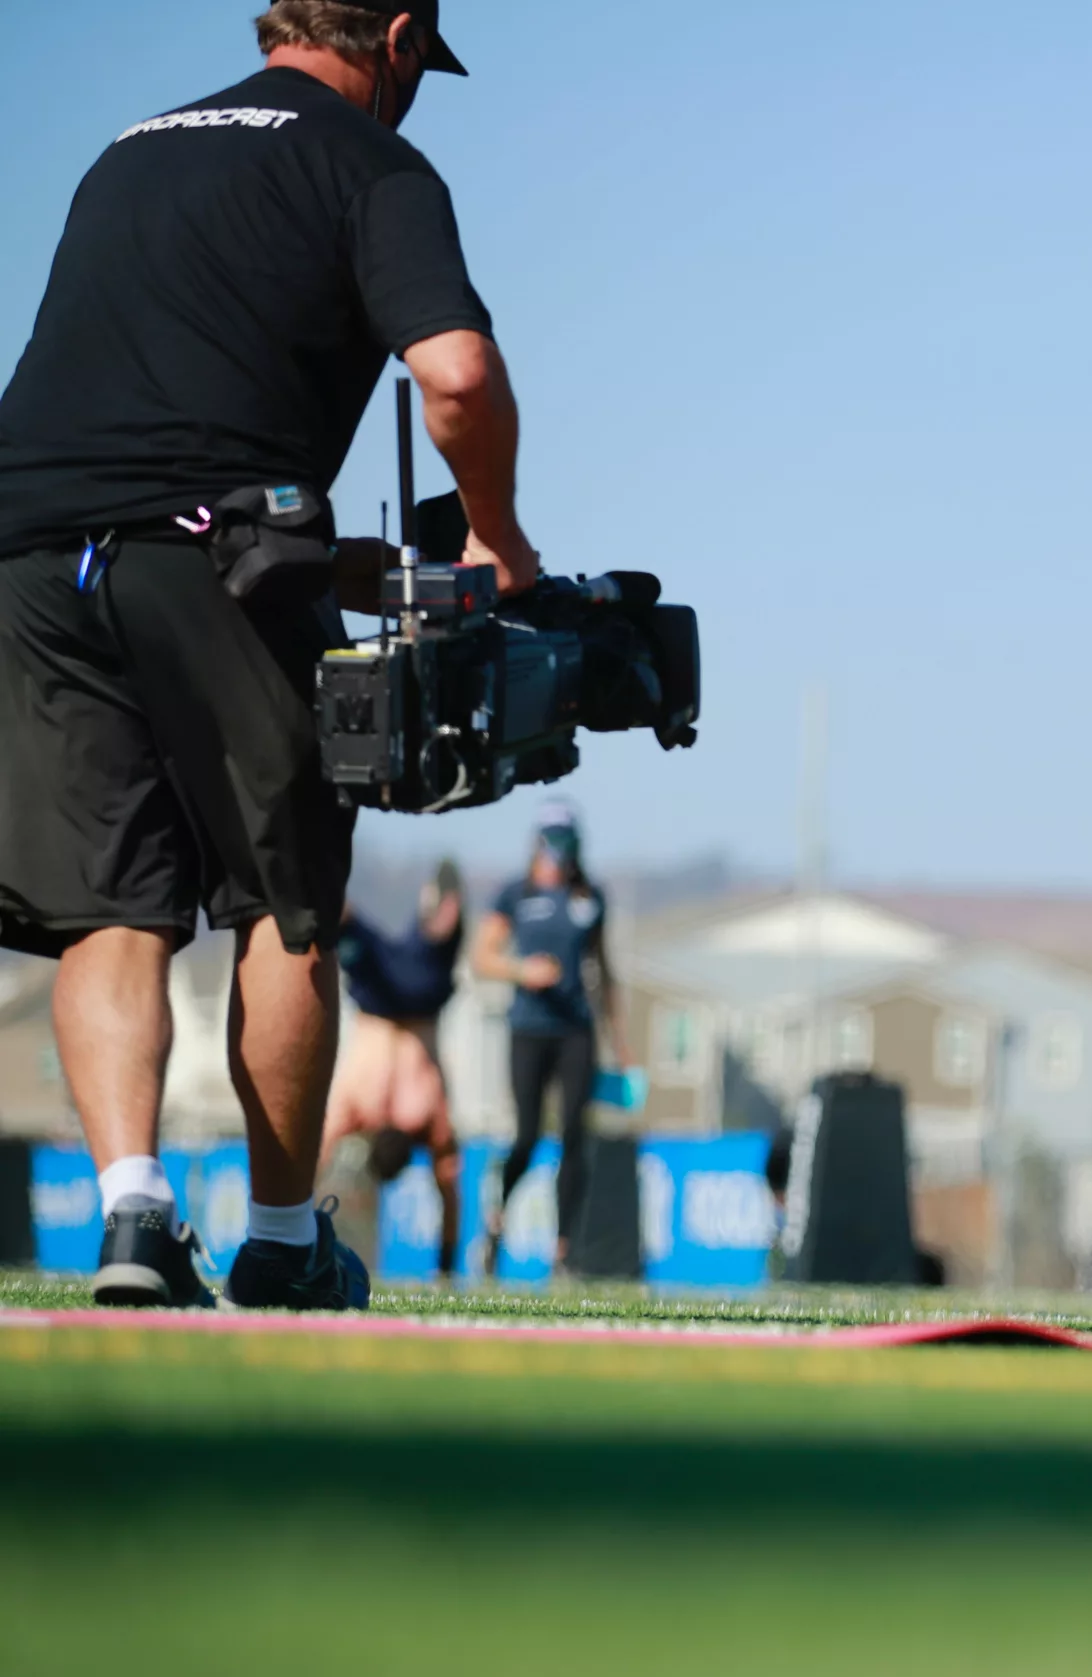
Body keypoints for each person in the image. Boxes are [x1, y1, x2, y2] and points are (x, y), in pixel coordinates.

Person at [0, 1, 537, 1310]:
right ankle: (288, 1240)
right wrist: (494, 536)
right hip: (216, 545)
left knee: (110, 908)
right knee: (284, 900)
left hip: (30, 550)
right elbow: (454, 375)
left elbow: (143, 429)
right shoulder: (369, 161)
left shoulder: (129, 147)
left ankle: (133, 1218)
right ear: (399, 38)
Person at [474, 807, 627, 1277]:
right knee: (527, 1136)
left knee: (575, 1137)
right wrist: (524, 971)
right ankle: (496, 1222)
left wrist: (621, 1043)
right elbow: (483, 956)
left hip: (575, 1032)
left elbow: (604, 971)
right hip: (529, 1030)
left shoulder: (591, 898)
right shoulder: (515, 894)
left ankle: (564, 1251)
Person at [322, 860, 469, 1279]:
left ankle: (432, 913)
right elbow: (449, 1183)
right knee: (387, 949)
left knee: (402, 952)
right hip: (406, 996)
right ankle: (427, 915)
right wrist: (446, 1266)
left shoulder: (406, 1110)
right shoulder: (409, 1109)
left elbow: (448, 1180)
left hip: (390, 998)